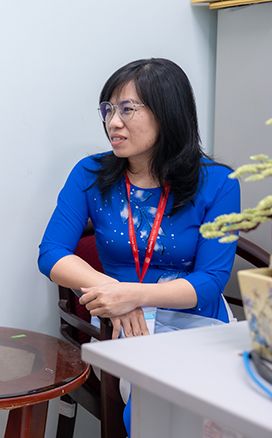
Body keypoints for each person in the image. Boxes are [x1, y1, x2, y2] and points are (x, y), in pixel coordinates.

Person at [37, 57, 239, 433]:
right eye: (108, 110)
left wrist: (134, 295)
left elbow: (210, 281)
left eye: (127, 109)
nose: (113, 122)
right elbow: (51, 253)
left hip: (200, 323)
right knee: (159, 406)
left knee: (231, 410)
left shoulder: (218, 182)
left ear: (168, 113)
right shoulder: (90, 174)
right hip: (125, 325)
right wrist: (114, 292)